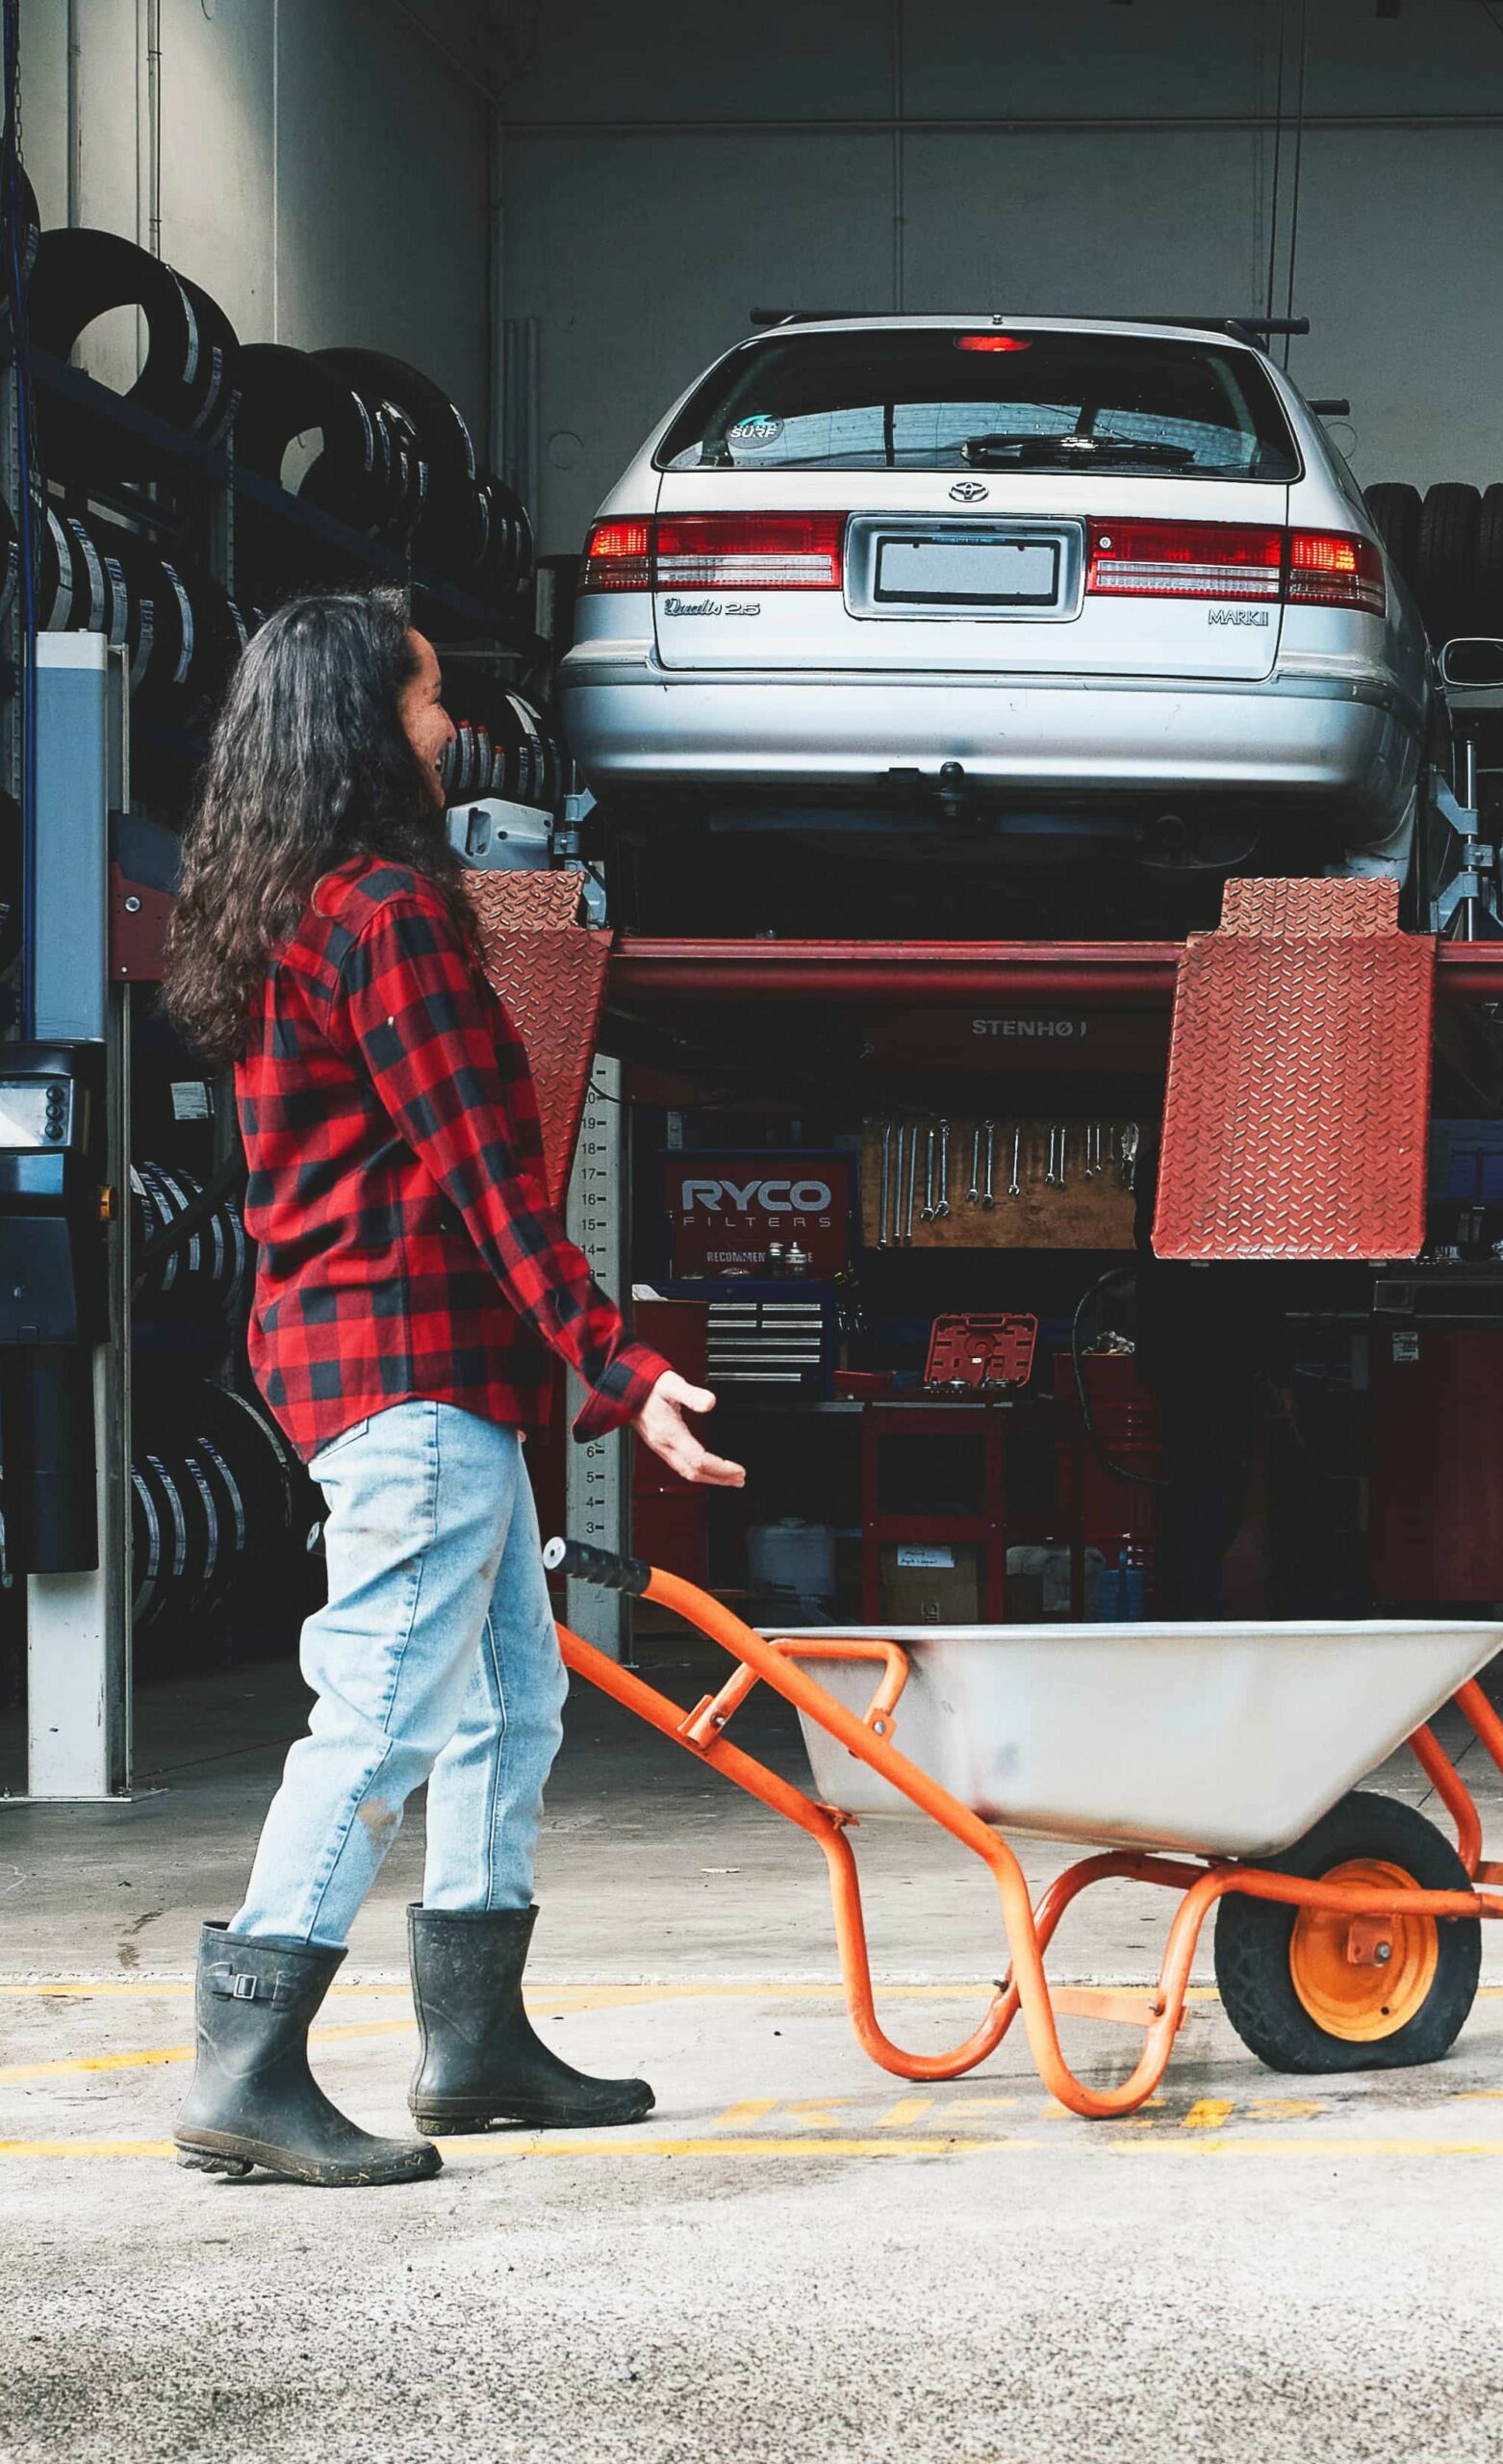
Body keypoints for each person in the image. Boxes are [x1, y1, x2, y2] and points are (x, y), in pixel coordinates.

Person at [162, 588, 745, 2188]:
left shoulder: (279, 907)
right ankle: (247, 2064)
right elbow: (485, 1176)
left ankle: (475, 2045)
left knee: (507, 1701)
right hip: (410, 1367)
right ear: (366, 723)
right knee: (379, 1715)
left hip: (383, 1364)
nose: (448, 730)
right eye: (426, 701)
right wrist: (623, 1361)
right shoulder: (385, 916)